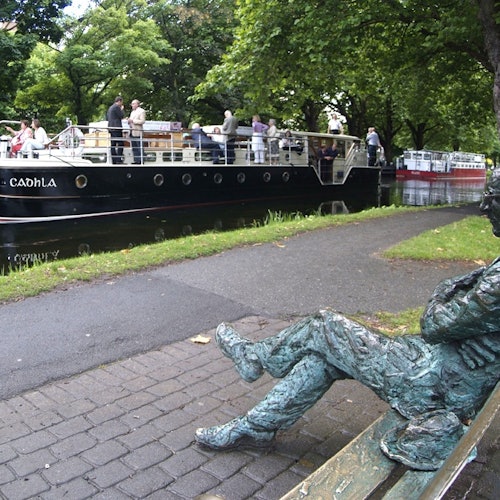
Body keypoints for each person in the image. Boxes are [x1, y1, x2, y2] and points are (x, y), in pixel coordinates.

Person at [195, 170, 500, 470]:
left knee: (324, 325)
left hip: (432, 382)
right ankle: (255, 426)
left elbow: (432, 324)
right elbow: (451, 324)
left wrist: (445, 295)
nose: (484, 207)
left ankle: (256, 358)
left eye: (492, 198)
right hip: (442, 368)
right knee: (323, 357)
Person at [127, 99, 146, 164]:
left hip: (138, 131)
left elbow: (142, 121)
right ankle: (136, 160)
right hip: (132, 131)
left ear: (137, 104)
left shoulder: (142, 111)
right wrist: (129, 121)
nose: (132, 105)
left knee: (139, 146)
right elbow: (131, 120)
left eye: (133, 104)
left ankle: (141, 160)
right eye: (132, 104)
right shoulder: (132, 112)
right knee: (134, 147)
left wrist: (133, 121)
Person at [107, 96, 124, 164]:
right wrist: (122, 109)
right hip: (117, 127)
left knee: (113, 144)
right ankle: (118, 159)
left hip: (111, 127)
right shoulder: (117, 107)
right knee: (120, 143)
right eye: (121, 102)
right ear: (119, 101)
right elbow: (121, 116)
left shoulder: (110, 107)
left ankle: (114, 159)